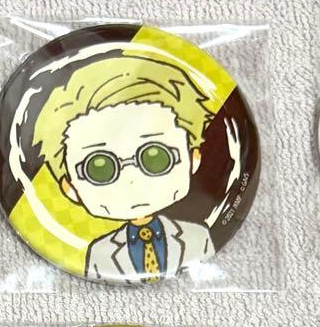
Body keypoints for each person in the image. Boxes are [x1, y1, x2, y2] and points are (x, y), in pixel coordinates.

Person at [32, 55, 216, 281]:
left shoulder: (199, 237)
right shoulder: (97, 253)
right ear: (70, 188)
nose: (132, 180)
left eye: (155, 156)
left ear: (193, 158)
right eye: (99, 168)